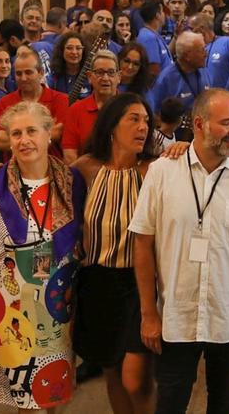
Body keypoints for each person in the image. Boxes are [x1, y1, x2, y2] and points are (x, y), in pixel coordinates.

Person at [129, 89, 229, 414]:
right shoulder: (161, 172)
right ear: (198, 124)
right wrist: (148, 314)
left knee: (224, 401)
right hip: (175, 316)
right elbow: (142, 244)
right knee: (170, 402)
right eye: (226, 123)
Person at [0, 99, 85, 411]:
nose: (24, 140)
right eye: (16, 133)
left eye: (32, 130)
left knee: (53, 391)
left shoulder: (73, 183)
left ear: (49, 134)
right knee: (25, 401)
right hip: (12, 308)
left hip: (59, 308)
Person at [70, 93, 157, 414]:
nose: (142, 127)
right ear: (111, 126)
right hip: (97, 283)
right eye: (133, 119)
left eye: (146, 120)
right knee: (111, 370)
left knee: (137, 378)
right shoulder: (85, 168)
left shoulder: (155, 170)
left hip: (139, 284)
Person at [0, 50, 69, 156]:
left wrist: (15, 136)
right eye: (19, 74)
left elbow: (58, 132)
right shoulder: (5, 102)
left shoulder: (61, 100)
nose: (23, 78)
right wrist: (42, 134)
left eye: (28, 72)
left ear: (41, 73)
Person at [62, 49, 121, 163]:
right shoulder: (75, 110)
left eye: (111, 72)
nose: (105, 78)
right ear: (89, 76)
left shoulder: (131, 106)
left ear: (119, 77)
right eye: (99, 72)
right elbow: (69, 154)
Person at [147, 31, 211, 127]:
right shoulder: (165, 79)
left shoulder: (203, 71)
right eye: (201, 50)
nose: (206, 54)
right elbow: (154, 114)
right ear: (187, 56)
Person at [136, 1, 172, 80]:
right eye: (162, 11)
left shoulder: (153, 34)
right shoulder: (148, 37)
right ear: (157, 15)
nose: (164, 15)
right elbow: (153, 70)